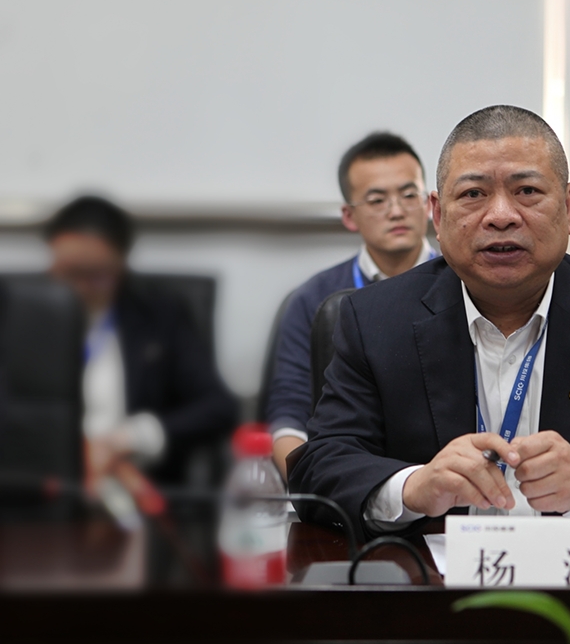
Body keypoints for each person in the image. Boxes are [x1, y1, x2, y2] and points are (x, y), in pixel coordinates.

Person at [288, 105, 570, 535]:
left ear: (568, 207)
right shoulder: (374, 321)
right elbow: (318, 466)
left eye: (527, 191)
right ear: (437, 215)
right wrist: (413, 488)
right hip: (434, 577)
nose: (501, 216)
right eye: (473, 194)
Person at [265, 133, 436, 477]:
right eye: (377, 200)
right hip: (348, 477)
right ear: (349, 216)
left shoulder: (464, 283)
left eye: (408, 195)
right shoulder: (314, 299)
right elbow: (290, 413)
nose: (397, 211)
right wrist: (313, 485)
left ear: (429, 203)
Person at [45, 196, 238, 485]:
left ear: (121, 265)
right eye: (70, 274)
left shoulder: (160, 314)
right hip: (45, 481)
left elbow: (218, 407)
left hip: (133, 479)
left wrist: (138, 437)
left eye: (96, 275)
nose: (81, 288)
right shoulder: (20, 314)